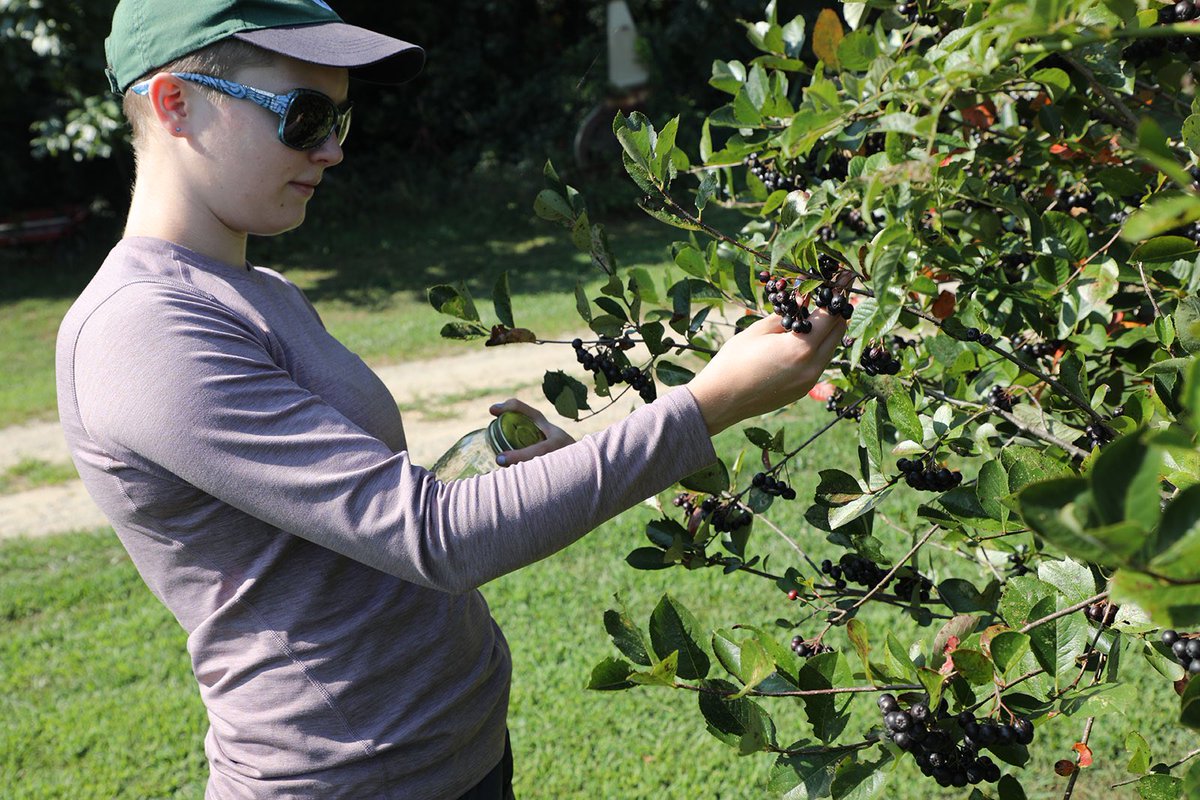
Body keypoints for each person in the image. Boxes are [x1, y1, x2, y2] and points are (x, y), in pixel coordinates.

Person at [55, 1, 847, 797]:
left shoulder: (257, 289)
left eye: (342, 118)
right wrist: (704, 407)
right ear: (174, 102)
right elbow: (429, 538)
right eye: (303, 117)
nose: (331, 150)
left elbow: (347, 528)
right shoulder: (142, 330)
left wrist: (488, 468)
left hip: (452, 756)